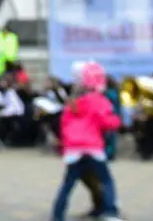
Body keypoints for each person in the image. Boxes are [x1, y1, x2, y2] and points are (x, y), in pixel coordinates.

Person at [50, 61, 124, 221]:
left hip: (74, 149)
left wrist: (64, 147)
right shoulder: (99, 100)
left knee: (68, 185)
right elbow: (107, 122)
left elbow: (64, 126)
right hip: (93, 147)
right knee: (106, 180)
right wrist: (117, 120)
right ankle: (110, 212)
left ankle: (57, 215)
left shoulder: (72, 103)